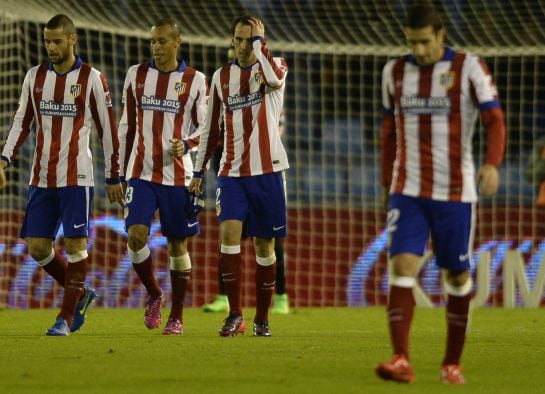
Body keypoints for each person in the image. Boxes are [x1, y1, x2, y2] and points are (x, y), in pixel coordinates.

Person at [375, 4, 506, 384]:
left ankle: (452, 363)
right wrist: (386, 183)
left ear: (441, 35)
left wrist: (492, 163)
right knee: (401, 267)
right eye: (412, 42)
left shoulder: (468, 68)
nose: (418, 49)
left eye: (425, 42)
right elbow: (387, 134)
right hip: (407, 190)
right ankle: (400, 358)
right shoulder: (394, 72)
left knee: (457, 275)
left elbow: (494, 119)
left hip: (455, 193)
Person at [0, 14, 124, 336]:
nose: (51, 48)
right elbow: (20, 123)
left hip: (77, 178)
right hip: (41, 177)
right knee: (38, 248)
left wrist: (114, 175)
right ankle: (80, 292)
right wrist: (2, 159)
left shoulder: (92, 78)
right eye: (47, 41)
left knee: (75, 245)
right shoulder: (34, 77)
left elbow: (107, 130)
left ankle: (66, 318)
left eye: (57, 41)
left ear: (72, 39)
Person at [189, 15, 289, 337]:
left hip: (268, 171)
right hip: (231, 172)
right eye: (239, 40)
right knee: (228, 236)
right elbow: (210, 130)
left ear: (261, 41)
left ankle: (262, 319)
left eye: (250, 39)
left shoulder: (275, 67)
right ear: (231, 41)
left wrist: (261, 43)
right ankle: (235, 314)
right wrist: (198, 171)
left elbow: (274, 77)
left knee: (264, 245)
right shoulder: (220, 77)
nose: (244, 46)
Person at [118, 18, 208, 335]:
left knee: (177, 246)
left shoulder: (195, 80)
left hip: (178, 176)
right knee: (135, 236)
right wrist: (117, 173)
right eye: (152, 41)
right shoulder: (136, 75)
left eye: (162, 41)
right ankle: (155, 294)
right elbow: (126, 126)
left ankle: (177, 316)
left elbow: (208, 130)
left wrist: (186, 144)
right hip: (140, 173)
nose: (156, 47)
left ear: (177, 42)